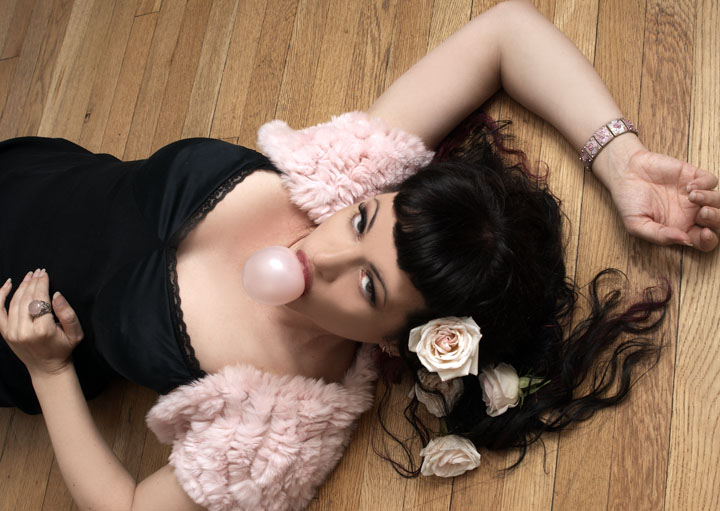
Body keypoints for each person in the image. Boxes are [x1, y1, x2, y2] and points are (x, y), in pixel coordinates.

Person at [0, 1, 718, 510]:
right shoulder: (344, 173)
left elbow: (128, 505)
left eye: (369, 287)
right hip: (32, 177)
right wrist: (620, 160)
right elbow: (507, 32)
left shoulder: (280, 425)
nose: (324, 252)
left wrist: (49, 371)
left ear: (399, 341)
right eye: (364, 219)